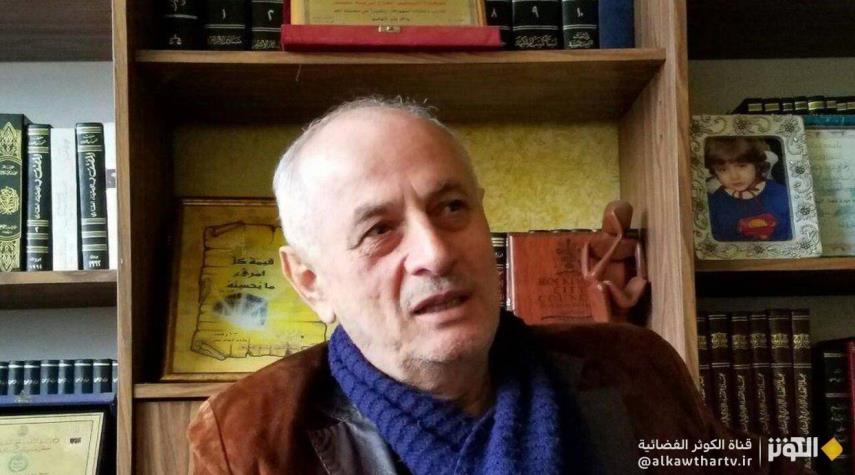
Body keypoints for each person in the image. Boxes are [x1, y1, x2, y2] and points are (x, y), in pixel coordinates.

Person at [187, 98, 810, 474]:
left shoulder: (635, 367)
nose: (435, 252)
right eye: (378, 230)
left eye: (452, 207)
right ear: (311, 281)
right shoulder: (250, 438)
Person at [704, 137, 792, 242]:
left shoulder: (782, 194)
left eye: (742, 166)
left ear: (756, 164)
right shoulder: (713, 204)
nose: (734, 176)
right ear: (714, 172)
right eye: (723, 169)